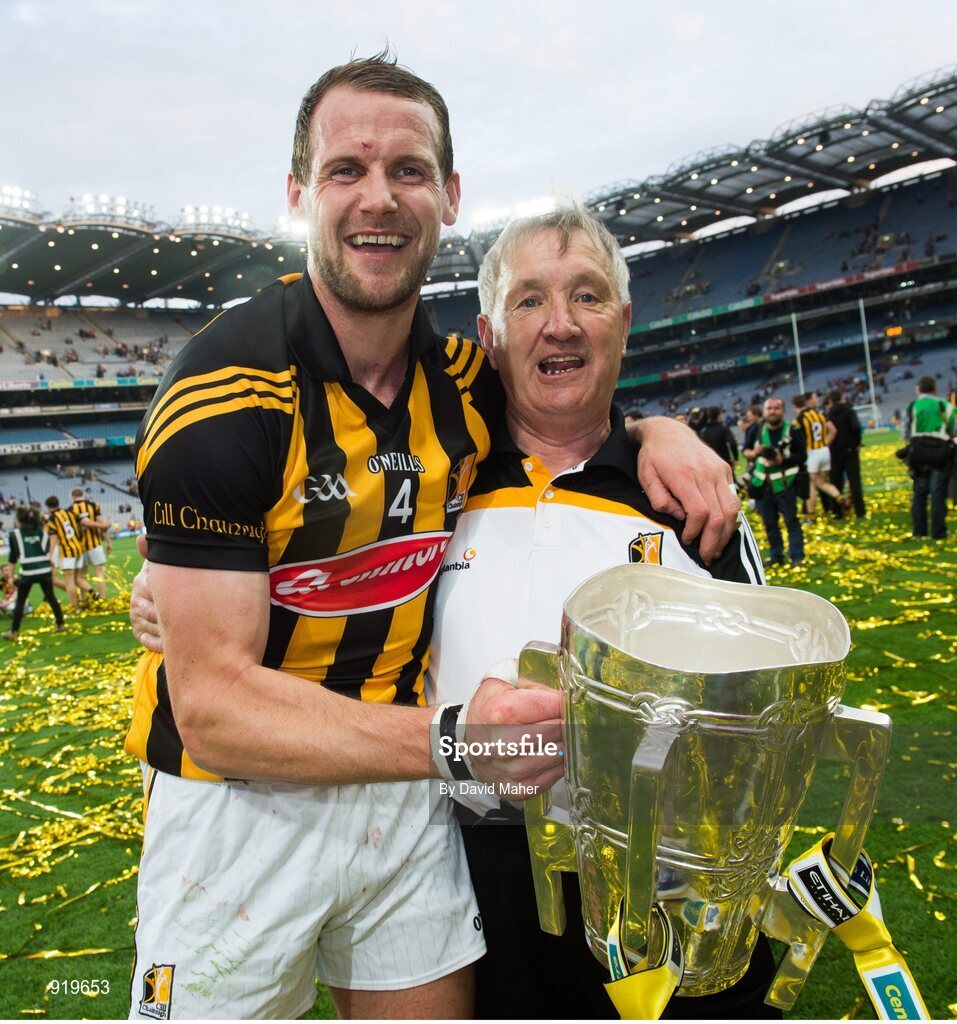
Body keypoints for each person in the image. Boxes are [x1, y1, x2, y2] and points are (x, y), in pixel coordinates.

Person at [124, 51, 739, 1020]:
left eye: (408, 170)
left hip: (406, 801)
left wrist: (663, 431)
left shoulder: (459, 379)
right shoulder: (219, 394)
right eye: (346, 170)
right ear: (298, 193)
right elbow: (212, 707)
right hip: (242, 800)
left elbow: (569, 383)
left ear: (449, 196)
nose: (380, 197)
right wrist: (457, 743)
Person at [427, 203, 775, 1019]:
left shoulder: (687, 501)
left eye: (585, 297)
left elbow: (765, 713)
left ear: (622, 322)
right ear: (488, 335)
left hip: (664, 885)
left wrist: (656, 430)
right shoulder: (436, 495)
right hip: (468, 885)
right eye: (529, 301)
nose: (559, 325)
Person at [748, 397, 806, 566]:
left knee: (791, 522)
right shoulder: (757, 430)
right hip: (762, 485)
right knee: (770, 524)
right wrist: (754, 453)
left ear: (783, 411)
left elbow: (802, 456)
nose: (772, 411)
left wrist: (783, 460)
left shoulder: (793, 430)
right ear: (764, 411)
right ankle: (776, 556)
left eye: (776, 408)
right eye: (769, 408)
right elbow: (746, 452)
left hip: (785, 484)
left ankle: (797, 556)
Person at [903, 374, 956, 540]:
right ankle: (938, 532)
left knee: (919, 492)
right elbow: (954, 429)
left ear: (918, 389)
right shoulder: (944, 405)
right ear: (935, 388)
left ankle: (919, 531)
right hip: (939, 451)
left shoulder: (912, 406)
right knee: (937, 492)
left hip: (918, 451)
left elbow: (905, 432)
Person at [2, 505, 66, 642]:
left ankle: (14, 631)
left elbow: (12, 558)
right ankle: (61, 624)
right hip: (44, 570)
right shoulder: (42, 532)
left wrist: (11, 577)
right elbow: (47, 549)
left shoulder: (15, 534)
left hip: (27, 572)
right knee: (51, 597)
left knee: (20, 601)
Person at [792, 392, 842, 519]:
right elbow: (833, 430)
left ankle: (811, 515)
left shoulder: (800, 418)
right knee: (822, 482)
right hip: (824, 450)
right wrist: (825, 444)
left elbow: (794, 437)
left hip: (811, 453)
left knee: (811, 485)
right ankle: (840, 498)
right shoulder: (821, 414)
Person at [44, 495, 92, 607]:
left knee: (69, 582)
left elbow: (53, 538)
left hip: (67, 551)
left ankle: (75, 607)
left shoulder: (52, 518)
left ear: (48, 507)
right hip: (78, 548)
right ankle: (88, 595)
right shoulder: (69, 512)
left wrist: (51, 555)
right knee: (77, 578)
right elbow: (82, 523)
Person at [826, 388, 865, 517]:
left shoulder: (828, 414)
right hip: (850, 449)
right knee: (854, 481)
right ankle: (860, 511)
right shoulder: (849, 411)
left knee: (836, 481)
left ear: (831, 400)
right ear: (842, 397)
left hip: (834, 451)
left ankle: (837, 511)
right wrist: (856, 442)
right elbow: (856, 427)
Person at [70, 487, 111, 598]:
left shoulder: (70, 510)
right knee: (99, 572)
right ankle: (102, 598)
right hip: (95, 544)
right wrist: (108, 542)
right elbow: (103, 525)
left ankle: (83, 600)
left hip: (79, 547)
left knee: (81, 576)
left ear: (72, 497)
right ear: (83, 495)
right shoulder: (93, 506)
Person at [698, 405, 739, 471]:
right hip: (724, 461)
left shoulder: (703, 431)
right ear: (718, 415)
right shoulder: (723, 428)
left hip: (711, 464)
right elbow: (732, 443)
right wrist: (735, 458)